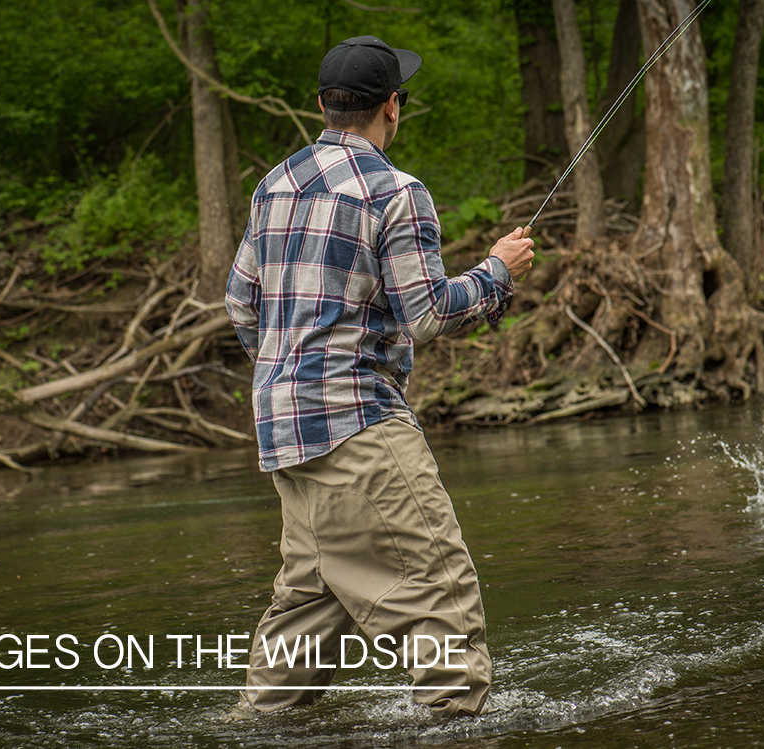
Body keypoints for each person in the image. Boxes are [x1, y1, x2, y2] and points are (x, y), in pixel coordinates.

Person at [225, 35, 535, 718]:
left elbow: (240, 304)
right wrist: (496, 273)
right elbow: (427, 314)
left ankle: (255, 732)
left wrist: (288, 377)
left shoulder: (272, 184)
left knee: (303, 617)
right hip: (359, 425)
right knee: (443, 606)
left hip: (284, 433)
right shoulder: (397, 192)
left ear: (321, 105)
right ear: (391, 107)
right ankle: (457, 730)